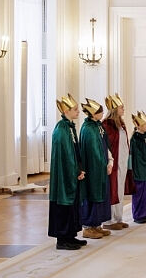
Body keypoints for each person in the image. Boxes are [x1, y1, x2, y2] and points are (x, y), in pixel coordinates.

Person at [48, 94, 87, 250]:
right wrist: (76, 171)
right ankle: (62, 239)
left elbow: (75, 151)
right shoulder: (62, 129)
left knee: (73, 205)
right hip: (65, 176)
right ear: (66, 111)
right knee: (65, 205)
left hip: (73, 173)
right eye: (75, 109)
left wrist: (80, 168)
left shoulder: (70, 127)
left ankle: (71, 235)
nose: (78, 112)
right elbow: (66, 155)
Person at [79, 98, 112, 239]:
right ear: (93, 114)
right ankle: (88, 227)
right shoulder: (87, 129)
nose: (102, 113)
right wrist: (101, 164)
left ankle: (97, 225)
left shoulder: (98, 126)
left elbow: (105, 145)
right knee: (93, 194)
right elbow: (92, 151)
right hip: (93, 169)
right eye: (100, 112)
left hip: (101, 167)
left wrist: (109, 162)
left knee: (101, 195)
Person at [102, 93, 129, 231]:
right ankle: (109, 220)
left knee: (119, 190)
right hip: (114, 162)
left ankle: (118, 218)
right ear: (114, 109)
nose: (123, 109)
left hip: (122, 162)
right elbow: (106, 145)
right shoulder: (107, 125)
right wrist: (110, 161)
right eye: (121, 107)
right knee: (112, 190)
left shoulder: (121, 124)